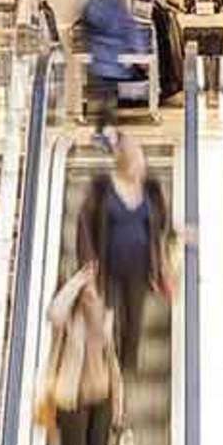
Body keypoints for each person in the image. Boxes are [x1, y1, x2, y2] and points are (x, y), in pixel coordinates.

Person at [76, 131, 172, 372]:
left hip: (140, 266)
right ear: (123, 163)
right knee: (108, 316)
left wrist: (167, 250)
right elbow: (85, 222)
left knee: (133, 318)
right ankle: (107, 367)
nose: (140, 168)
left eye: (141, 162)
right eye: (135, 163)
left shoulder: (151, 188)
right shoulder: (102, 187)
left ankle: (127, 366)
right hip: (107, 264)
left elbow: (161, 223)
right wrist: (88, 262)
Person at [46, 258, 124, 445]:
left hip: (101, 394)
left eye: (94, 290)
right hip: (72, 397)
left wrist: (118, 402)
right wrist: (77, 280)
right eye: (87, 292)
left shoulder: (104, 320)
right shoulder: (69, 320)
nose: (91, 296)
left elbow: (111, 360)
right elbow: (54, 312)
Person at [80, 0, 140, 146]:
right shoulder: (98, 0)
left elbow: (127, 25)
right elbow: (103, 22)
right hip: (102, 58)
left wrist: (134, 49)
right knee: (105, 99)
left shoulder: (116, 0)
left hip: (112, 58)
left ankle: (103, 133)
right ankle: (104, 133)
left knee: (108, 99)